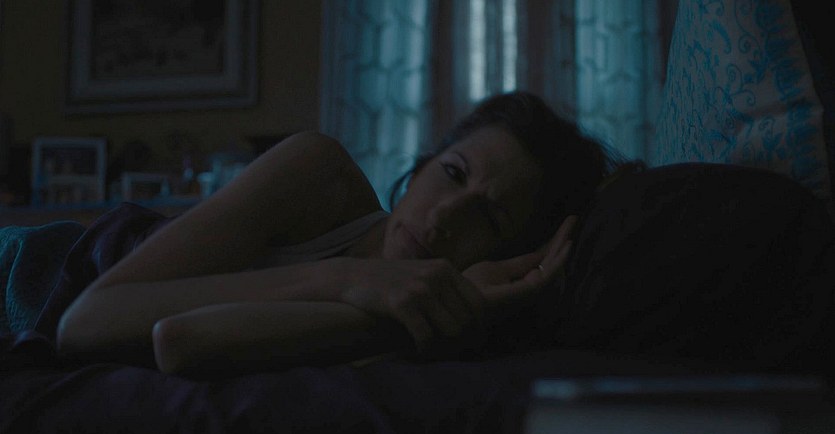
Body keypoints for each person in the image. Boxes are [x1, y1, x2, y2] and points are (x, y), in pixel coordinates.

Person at [56, 91, 636, 378]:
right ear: (422, 166)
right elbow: (84, 324)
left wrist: (455, 308)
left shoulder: (423, 331)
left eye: (488, 219)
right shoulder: (318, 175)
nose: (443, 218)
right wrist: (347, 277)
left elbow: (182, 340)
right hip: (42, 270)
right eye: (452, 174)